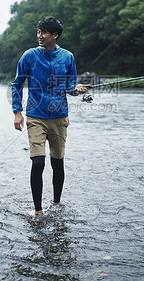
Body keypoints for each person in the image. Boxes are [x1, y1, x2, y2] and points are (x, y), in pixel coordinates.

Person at [11, 16, 88, 216]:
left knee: (57, 162)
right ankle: (38, 211)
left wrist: (77, 90)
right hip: (35, 116)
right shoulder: (29, 56)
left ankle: (56, 203)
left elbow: (70, 87)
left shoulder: (67, 57)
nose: (40, 36)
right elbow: (17, 85)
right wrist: (17, 112)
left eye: (44, 32)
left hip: (59, 117)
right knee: (38, 163)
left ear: (55, 35)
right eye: (38, 32)